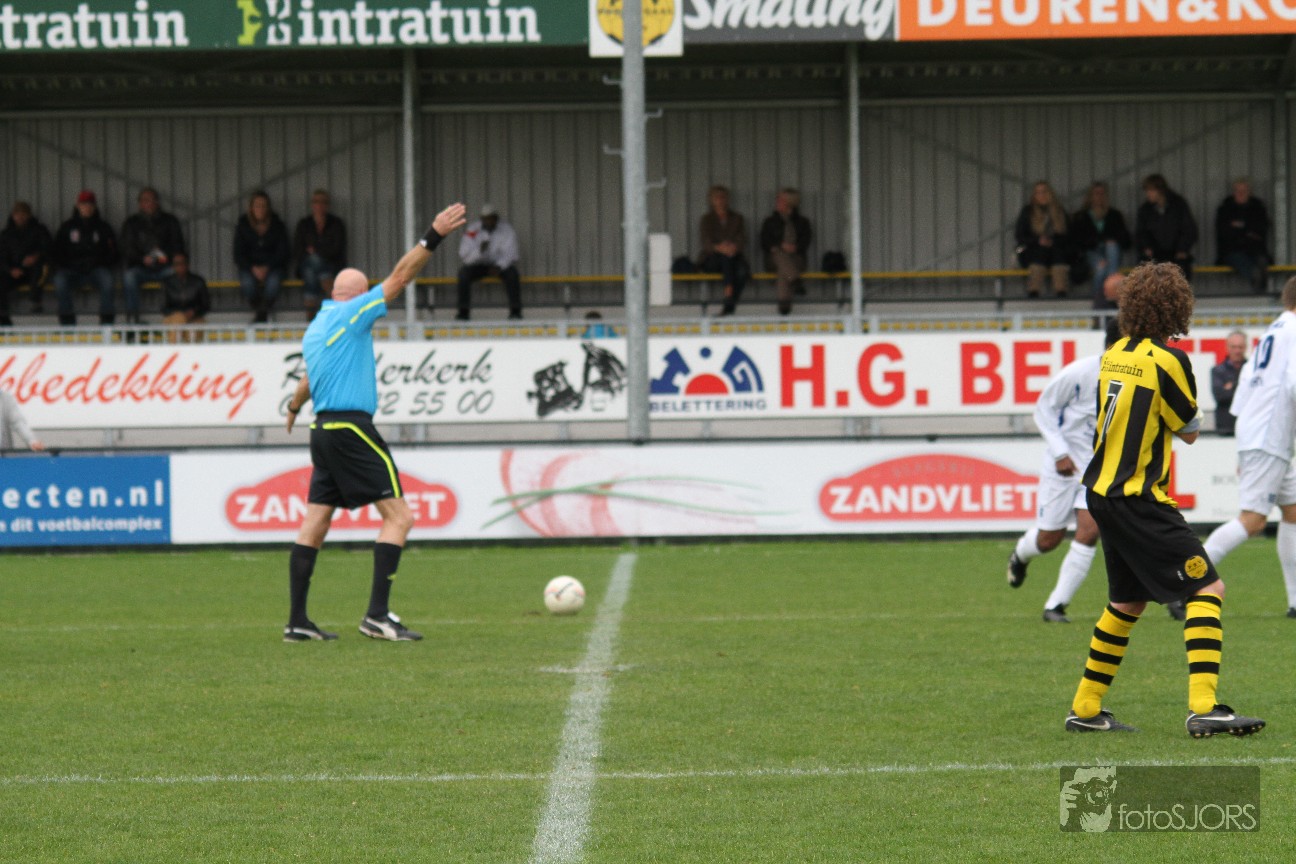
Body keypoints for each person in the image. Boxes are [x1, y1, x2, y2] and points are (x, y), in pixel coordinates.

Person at [1066, 262, 1263, 738]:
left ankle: (1086, 709)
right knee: (1208, 589)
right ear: (1177, 308)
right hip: (1140, 497)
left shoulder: (1113, 353)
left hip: (1102, 494)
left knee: (1127, 601)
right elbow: (1189, 430)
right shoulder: (1169, 360)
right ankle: (1204, 707)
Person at [281, 200, 467, 643]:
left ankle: (297, 621)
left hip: (322, 431)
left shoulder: (317, 326)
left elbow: (308, 379)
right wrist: (434, 235)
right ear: (359, 295)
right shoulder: (354, 314)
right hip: (350, 428)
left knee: (315, 522)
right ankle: (377, 616)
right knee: (400, 517)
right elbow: (400, 278)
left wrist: (292, 407)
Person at [1007, 320, 1121, 623]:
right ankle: (1021, 554)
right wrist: (1060, 452)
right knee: (1049, 539)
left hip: (1097, 470)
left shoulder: (1134, 379)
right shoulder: (1079, 373)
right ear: (1113, 346)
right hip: (1065, 466)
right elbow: (1044, 409)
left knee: (1090, 530)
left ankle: (1055, 606)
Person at [1201, 279, 1296, 620]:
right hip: (1269, 434)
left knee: (1293, 511)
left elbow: (1244, 385)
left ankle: (1295, 601)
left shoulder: (1274, 330)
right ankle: (1185, 581)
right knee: (1253, 521)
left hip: (1261, 432)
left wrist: (1245, 440)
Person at [50, 190, 118, 326]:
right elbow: (57, 252)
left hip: (96, 269)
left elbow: (114, 252)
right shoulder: (67, 227)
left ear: (95, 206)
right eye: (84, 204)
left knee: (108, 280)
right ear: (78, 206)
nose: (87, 207)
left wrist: (99, 262)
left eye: (90, 204)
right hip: (72, 270)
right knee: (59, 280)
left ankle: (106, 324)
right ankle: (67, 324)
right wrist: (71, 264)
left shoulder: (103, 227)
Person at [119, 187, 186, 324]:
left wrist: (164, 256)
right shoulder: (131, 223)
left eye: (151, 200)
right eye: (145, 200)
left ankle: (174, 317)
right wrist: (142, 259)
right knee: (129, 277)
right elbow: (126, 248)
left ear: (157, 202)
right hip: (140, 267)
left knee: (176, 273)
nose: (148, 203)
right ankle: (132, 319)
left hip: (165, 266)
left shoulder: (170, 220)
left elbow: (178, 246)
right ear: (139, 203)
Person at [1069, 182, 1131, 311]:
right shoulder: (1081, 216)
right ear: (1090, 196)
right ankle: (1103, 300)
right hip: (1091, 251)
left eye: (1102, 193)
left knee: (1111, 248)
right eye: (1096, 193)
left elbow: (1126, 240)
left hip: (1111, 253)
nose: (1099, 197)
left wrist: (1110, 240)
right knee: (1101, 268)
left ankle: (1110, 293)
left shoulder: (1114, 215)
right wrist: (1096, 242)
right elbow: (1076, 241)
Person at [455, 203, 521, 320]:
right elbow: (464, 256)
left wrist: (499, 266)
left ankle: (515, 312)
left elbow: (512, 253)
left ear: (496, 218)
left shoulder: (506, 230)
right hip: (478, 264)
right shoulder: (473, 230)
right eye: (486, 219)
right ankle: (463, 312)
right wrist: (479, 252)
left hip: (499, 265)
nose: (489, 221)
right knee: (463, 274)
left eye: (491, 218)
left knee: (513, 274)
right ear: (481, 219)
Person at [233, 190, 290, 323]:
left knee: (273, 284)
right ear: (251, 208)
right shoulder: (243, 225)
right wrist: (252, 268)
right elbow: (238, 254)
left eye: (263, 205)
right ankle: (262, 313)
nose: (260, 209)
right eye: (257, 205)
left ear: (268, 207)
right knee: (247, 284)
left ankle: (260, 316)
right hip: (250, 267)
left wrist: (268, 267)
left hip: (273, 267)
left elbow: (283, 252)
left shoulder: (277, 225)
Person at [293, 188, 348, 320]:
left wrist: (316, 251)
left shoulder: (336, 223)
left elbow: (336, 249)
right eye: (316, 202)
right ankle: (329, 288)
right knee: (314, 266)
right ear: (312, 205)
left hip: (332, 264)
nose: (320, 205)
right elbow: (298, 250)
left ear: (328, 205)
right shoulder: (304, 224)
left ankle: (310, 318)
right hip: (309, 264)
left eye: (323, 202)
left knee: (310, 271)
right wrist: (319, 252)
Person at [759, 187, 813, 316]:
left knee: (784, 270)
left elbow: (806, 241)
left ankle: (785, 304)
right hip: (774, 259)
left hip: (796, 259)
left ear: (790, 202)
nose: (777, 202)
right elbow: (764, 241)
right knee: (779, 255)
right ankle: (795, 282)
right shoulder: (770, 221)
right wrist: (779, 245)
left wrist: (795, 247)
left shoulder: (803, 222)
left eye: (780, 200)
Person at [1014, 181, 1072, 298]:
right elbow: (1020, 235)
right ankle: (1033, 291)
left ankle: (1061, 292)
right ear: (1034, 195)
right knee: (1039, 255)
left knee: (1059, 256)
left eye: (1044, 192)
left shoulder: (1059, 211)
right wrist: (1037, 240)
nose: (1042, 195)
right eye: (1038, 192)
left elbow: (1068, 235)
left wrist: (1053, 242)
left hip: (1055, 249)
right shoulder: (1028, 211)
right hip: (1034, 249)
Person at [697, 185, 749, 316]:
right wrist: (720, 248)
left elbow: (742, 238)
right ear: (711, 200)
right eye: (717, 197)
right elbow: (706, 242)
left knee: (742, 270)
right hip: (712, 258)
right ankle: (729, 295)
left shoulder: (737, 218)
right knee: (726, 258)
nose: (720, 200)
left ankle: (729, 300)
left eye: (723, 197)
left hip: (733, 255)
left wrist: (733, 247)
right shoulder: (707, 219)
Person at [1135, 173, 1197, 279]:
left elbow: (1189, 229)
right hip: (1154, 253)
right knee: (1145, 268)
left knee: (1181, 268)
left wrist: (1182, 249)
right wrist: (1146, 247)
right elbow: (1141, 232)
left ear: (1160, 190)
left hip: (1176, 253)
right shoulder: (1145, 210)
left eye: (1151, 190)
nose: (1148, 194)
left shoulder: (1178, 205)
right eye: (1147, 191)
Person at [1215, 178, 1271, 294]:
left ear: (1249, 192)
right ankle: (1257, 283)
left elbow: (1262, 230)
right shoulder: (1225, 209)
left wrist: (1239, 227)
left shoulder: (1258, 208)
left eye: (1244, 191)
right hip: (1232, 250)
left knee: (1262, 260)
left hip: (1255, 249)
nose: (1240, 194)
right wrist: (1248, 231)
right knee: (1241, 260)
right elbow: (1224, 233)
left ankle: (1261, 292)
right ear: (1233, 192)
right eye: (1238, 191)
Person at [0, 201, 51, 325]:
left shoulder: (39, 230)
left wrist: (36, 256)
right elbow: (2, 257)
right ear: (13, 215)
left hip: (34, 270)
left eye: (23, 214)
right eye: (17, 214)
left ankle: (36, 303)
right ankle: (4, 321)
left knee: (41, 269)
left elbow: (49, 249)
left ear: (29, 215)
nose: (20, 217)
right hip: (14, 272)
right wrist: (10, 270)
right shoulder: (6, 234)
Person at [160, 252, 211, 343]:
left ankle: (186, 351)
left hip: (194, 317)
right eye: (176, 264)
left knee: (193, 330)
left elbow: (206, 304)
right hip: (173, 317)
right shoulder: (167, 282)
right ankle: (173, 348)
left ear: (187, 264)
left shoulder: (198, 281)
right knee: (178, 319)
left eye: (182, 263)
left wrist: (194, 312)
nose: (179, 267)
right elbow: (163, 307)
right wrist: (180, 314)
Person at [1210, 330, 1247, 436]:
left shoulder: (1252, 370)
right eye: (1233, 347)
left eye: (1240, 347)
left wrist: (1231, 386)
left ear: (1245, 347)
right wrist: (1241, 386)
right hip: (1226, 429)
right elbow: (1220, 396)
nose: (1237, 351)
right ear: (1227, 347)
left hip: (1248, 427)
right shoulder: (1217, 370)